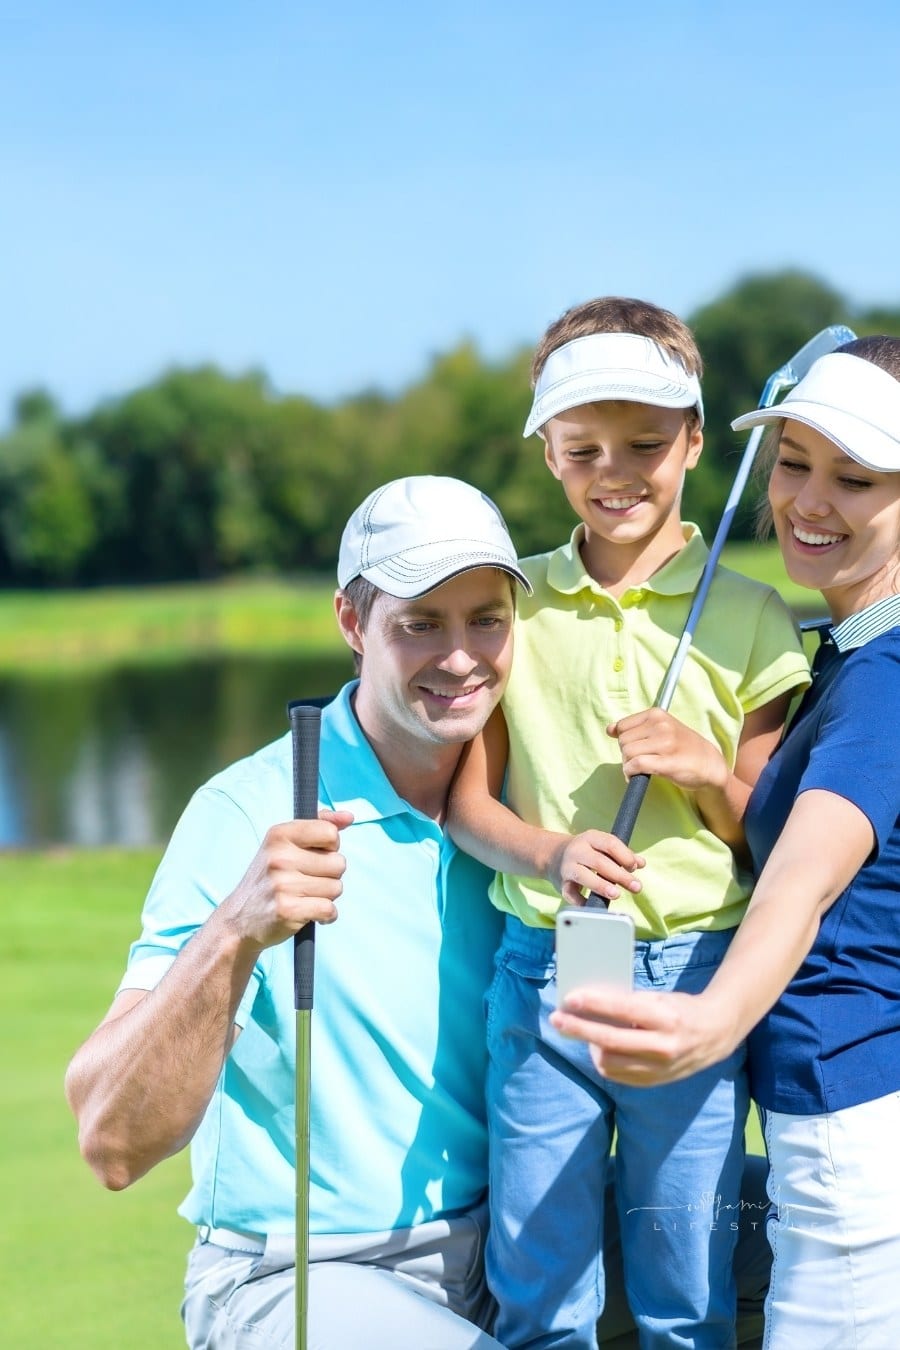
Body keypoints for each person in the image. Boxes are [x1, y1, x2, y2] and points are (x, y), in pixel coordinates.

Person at [64, 471, 773, 1350]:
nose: (461, 656)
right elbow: (112, 1141)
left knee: (821, 1227)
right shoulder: (251, 812)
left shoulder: (532, 802)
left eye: (486, 619)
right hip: (307, 1275)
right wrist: (236, 931)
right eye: (419, 624)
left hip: (526, 1218)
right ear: (353, 625)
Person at [447, 298, 811, 1349]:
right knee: (539, 1281)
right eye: (584, 449)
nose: (617, 471)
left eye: (647, 444)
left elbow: (771, 840)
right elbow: (472, 805)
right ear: (550, 456)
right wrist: (551, 850)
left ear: (696, 442)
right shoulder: (516, 607)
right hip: (545, 973)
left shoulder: (748, 614)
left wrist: (702, 770)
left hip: (696, 977)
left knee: (683, 1288)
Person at [551, 335, 900, 1347]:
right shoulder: (849, 650)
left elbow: (803, 880)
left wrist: (709, 1024)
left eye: (857, 479)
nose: (808, 501)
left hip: (848, 1127)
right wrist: (716, 774)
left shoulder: (880, 684)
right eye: (794, 462)